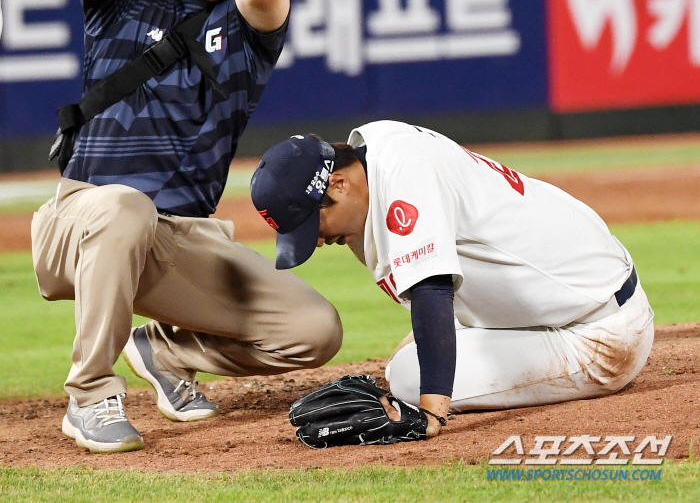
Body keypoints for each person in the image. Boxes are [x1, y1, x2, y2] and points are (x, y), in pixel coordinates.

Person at [31, 0, 342, 454]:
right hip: (84, 222)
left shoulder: (256, 24)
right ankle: (90, 394)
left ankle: (167, 350)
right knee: (125, 205)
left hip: (179, 242)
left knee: (315, 329)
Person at [250, 121, 654, 439]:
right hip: (584, 290)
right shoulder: (376, 153)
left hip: (601, 335)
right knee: (408, 357)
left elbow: (432, 289)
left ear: (338, 184)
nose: (317, 242)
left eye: (312, 224)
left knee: (408, 378)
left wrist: (430, 413)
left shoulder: (404, 177)